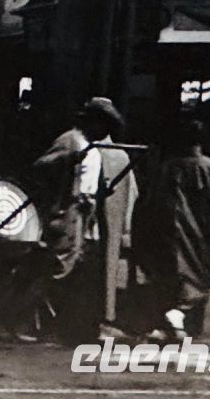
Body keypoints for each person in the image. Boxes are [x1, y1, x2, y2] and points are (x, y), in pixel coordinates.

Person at [31, 96, 125, 340]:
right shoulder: (71, 141)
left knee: (78, 267)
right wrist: (67, 160)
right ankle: (41, 321)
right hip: (67, 211)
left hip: (85, 213)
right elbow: (41, 166)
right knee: (61, 265)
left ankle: (67, 323)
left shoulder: (93, 146)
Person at [140, 119, 210, 339]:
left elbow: (154, 200)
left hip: (172, 230)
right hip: (199, 231)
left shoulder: (168, 167)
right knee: (196, 277)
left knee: (174, 275)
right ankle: (178, 317)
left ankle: (173, 321)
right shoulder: (209, 167)